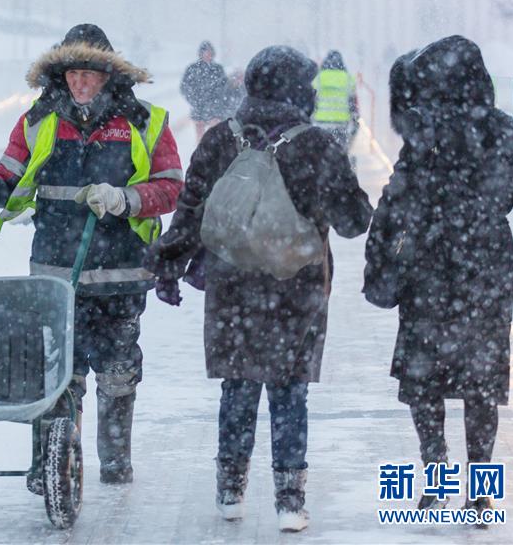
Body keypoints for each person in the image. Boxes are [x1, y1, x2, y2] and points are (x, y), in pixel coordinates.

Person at [0, 23, 184, 487]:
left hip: (121, 274)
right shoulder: (37, 121)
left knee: (117, 373)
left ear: (108, 75)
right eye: (73, 73)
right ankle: (53, 467)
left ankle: (114, 464)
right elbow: (8, 175)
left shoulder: (146, 121)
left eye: (89, 73)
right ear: (62, 74)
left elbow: (172, 187)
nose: (80, 83)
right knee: (56, 378)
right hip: (54, 277)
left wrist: (125, 199)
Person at [145, 45, 372, 532]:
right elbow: (354, 222)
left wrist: (168, 265)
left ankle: (230, 491)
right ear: (299, 90)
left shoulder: (221, 141)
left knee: (239, 386)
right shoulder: (316, 146)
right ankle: (290, 502)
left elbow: (189, 214)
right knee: (290, 391)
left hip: (233, 287)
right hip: (299, 286)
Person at [363, 36, 513, 519]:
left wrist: (381, 250)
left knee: (425, 379)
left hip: (428, 268)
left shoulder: (424, 130)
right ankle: (480, 486)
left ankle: (435, 475)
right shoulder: (499, 128)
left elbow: (399, 194)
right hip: (485, 268)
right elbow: (505, 195)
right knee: (481, 384)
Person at [311, 50, 360, 165]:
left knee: (320, 152)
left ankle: (320, 170)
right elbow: (353, 104)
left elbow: (312, 100)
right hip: (341, 124)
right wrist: (355, 123)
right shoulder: (348, 79)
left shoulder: (318, 78)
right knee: (340, 152)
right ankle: (340, 170)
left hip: (320, 123)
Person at [180, 41, 229, 141]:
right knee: (200, 135)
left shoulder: (218, 69)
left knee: (215, 134)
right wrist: (194, 100)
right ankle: (200, 152)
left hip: (215, 109)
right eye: (206, 52)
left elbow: (225, 88)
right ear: (200, 53)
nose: (208, 55)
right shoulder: (192, 69)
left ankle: (214, 153)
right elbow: (184, 87)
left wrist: (218, 101)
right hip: (199, 107)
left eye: (210, 52)